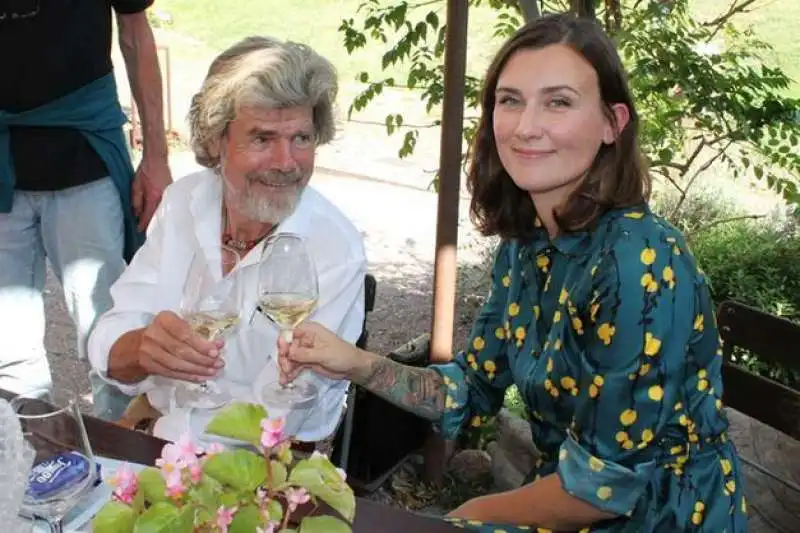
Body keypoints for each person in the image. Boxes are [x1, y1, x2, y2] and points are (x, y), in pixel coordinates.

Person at [276, 14, 748, 532]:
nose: (526, 126)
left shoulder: (641, 264)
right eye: (511, 100)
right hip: (565, 499)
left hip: (663, 519)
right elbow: (472, 389)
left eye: (559, 101)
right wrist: (355, 363)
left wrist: (469, 514)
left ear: (613, 123)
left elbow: (603, 486)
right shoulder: (528, 246)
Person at [88, 36, 367, 454]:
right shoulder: (185, 202)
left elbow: (276, 414)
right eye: (262, 139)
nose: (286, 162)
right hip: (154, 428)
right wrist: (142, 348)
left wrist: (167, 453)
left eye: (302, 139)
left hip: (261, 461)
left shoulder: (333, 248)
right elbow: (110, 338)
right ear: (216, 140)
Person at [0, 1, 171, 420]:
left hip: (83, 154)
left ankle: (123, 472)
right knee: (7, 350)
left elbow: (134, 30)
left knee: (111, 332)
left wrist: (156, 156)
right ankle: (23, 465)